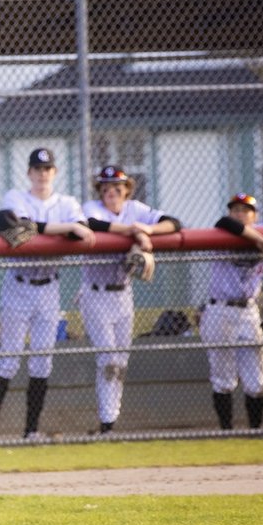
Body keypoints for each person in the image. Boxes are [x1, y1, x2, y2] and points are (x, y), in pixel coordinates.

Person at [0, 148, 95, 443]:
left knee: (42, 361)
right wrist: (66, 228)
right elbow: (19, 227)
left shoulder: (67, 203)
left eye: (47, 169)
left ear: (54, 172)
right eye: (37, 169)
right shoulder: (16, 197)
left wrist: (67, 228)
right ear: (29, 173)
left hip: (49, 286)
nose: (42, 174)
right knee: (9, 358)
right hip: (18, 284)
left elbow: (81, 230)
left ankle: (31, 431)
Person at [80, 166, 181, 435]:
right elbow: (92, 224)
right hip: (95, 293)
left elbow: (174, 223)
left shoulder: (135, 208)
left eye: (117, 187)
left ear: (127, 190)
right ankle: (106, 423)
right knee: (108, 359)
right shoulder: (92, 208)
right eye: (105, 188)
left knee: (121, 361)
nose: (111, 192)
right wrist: (134, 232)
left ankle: (110, 421)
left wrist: (147, 228)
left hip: (123, 294)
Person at [201, 193, 263, 430]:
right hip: (220, 309)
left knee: (257, 379)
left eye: (246, 210)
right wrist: (259, 239)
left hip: (248, 311)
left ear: (255, 215)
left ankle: (255, 431)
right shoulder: (224, 230)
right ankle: (226, 432)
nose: (240, 214)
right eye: (236, 209)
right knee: (223, 378)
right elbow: (224, 222)